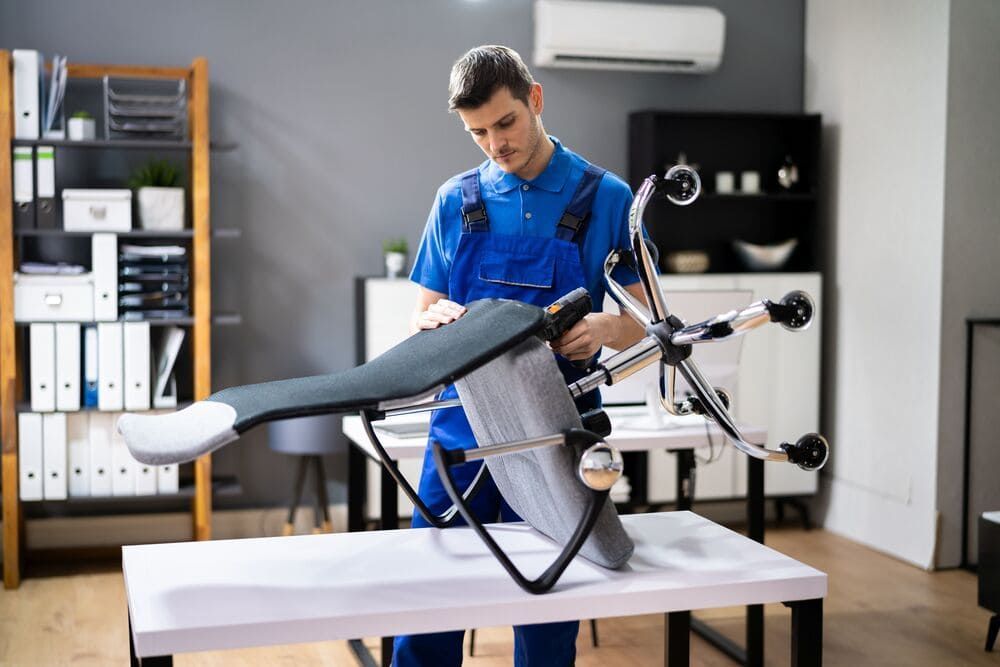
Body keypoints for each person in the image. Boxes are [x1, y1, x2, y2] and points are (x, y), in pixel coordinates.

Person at [393, 45, 649, 667]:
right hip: (461, 430)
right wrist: (434, 319)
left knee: (548, 612)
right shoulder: (455, 200)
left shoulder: (605, 198)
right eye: (477, 132)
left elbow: (644, 324)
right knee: (434, 600)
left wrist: (603, 327)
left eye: (504, 123)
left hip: (557, 434)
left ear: (535, 99)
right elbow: (424, 311)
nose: (494, 145)